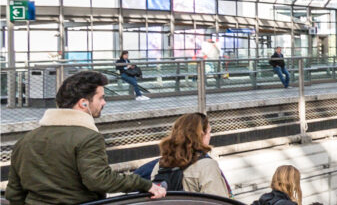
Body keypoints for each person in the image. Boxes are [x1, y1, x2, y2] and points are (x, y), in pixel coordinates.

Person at [5, 71, 167, 203]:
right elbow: (99, 180)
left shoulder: (26, 139)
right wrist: (144, 184)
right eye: (101, 97)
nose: (104, 103)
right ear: (84, 103)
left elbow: (14, 193)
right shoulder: (88, 137)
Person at [145, 113, 233, 196]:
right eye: (209, 132)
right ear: (201, 135)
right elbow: (218, 200)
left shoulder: (160, 165)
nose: (210, 136)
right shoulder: (207, 166)